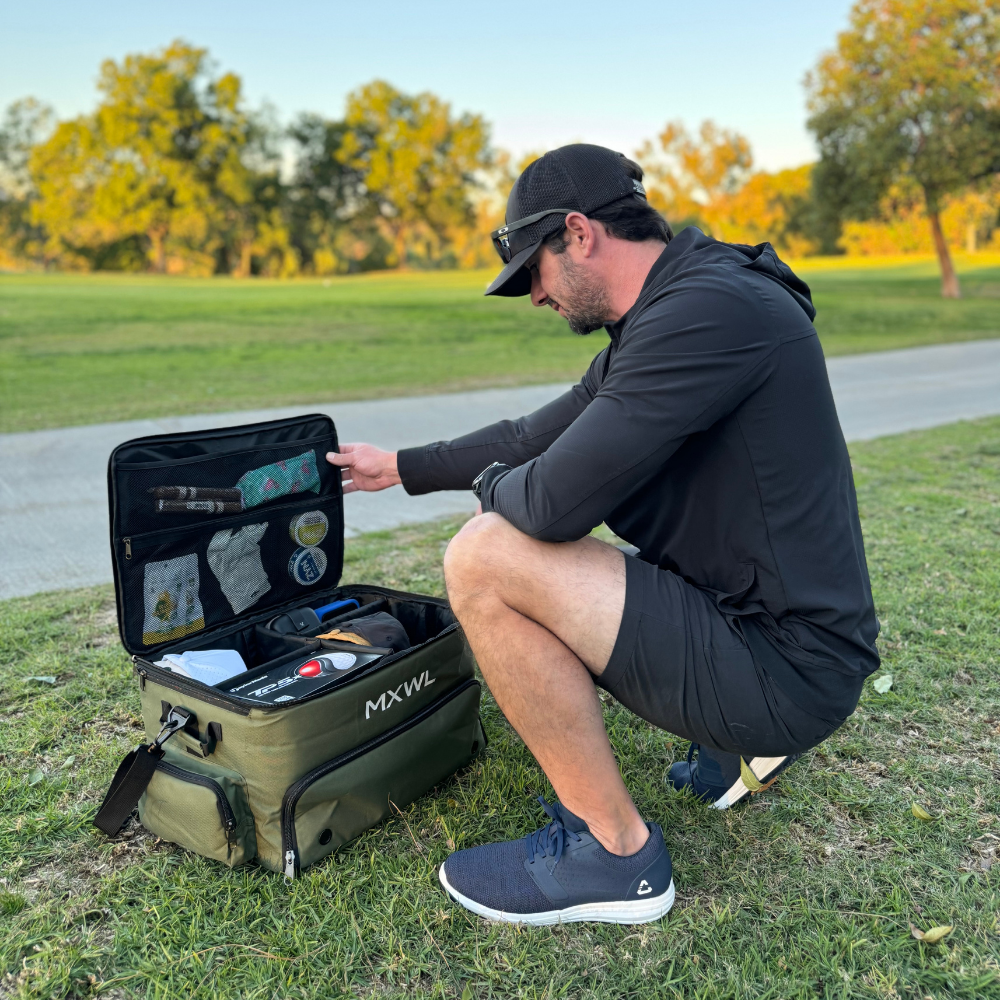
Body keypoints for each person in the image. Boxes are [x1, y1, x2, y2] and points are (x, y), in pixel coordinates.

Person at [326, 144, 880, 926]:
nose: (533, 297)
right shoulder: (677, 307)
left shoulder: (706, 315)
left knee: (483, 556)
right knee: (506, 523)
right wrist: (402, 466)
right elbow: (529, 437)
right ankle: (732, 747)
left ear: (579, 235)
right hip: (770, 627)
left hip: (786, 666)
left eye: (533, 272)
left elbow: (547, 503)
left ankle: (614, 854)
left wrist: (489, 497)